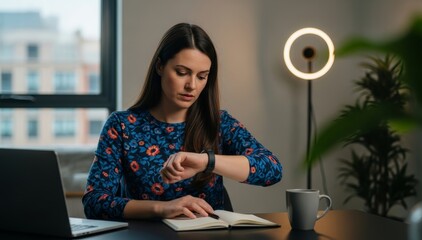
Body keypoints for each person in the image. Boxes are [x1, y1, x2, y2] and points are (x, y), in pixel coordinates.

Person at [82, 23, 282, 220]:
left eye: (202, 76)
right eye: (182, 72)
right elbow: (94, 202)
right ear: (160, 66)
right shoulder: (122, 125)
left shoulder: (219, 122)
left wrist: (207, 161)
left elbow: (272, 169)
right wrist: (162, 208)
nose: (192, 86)